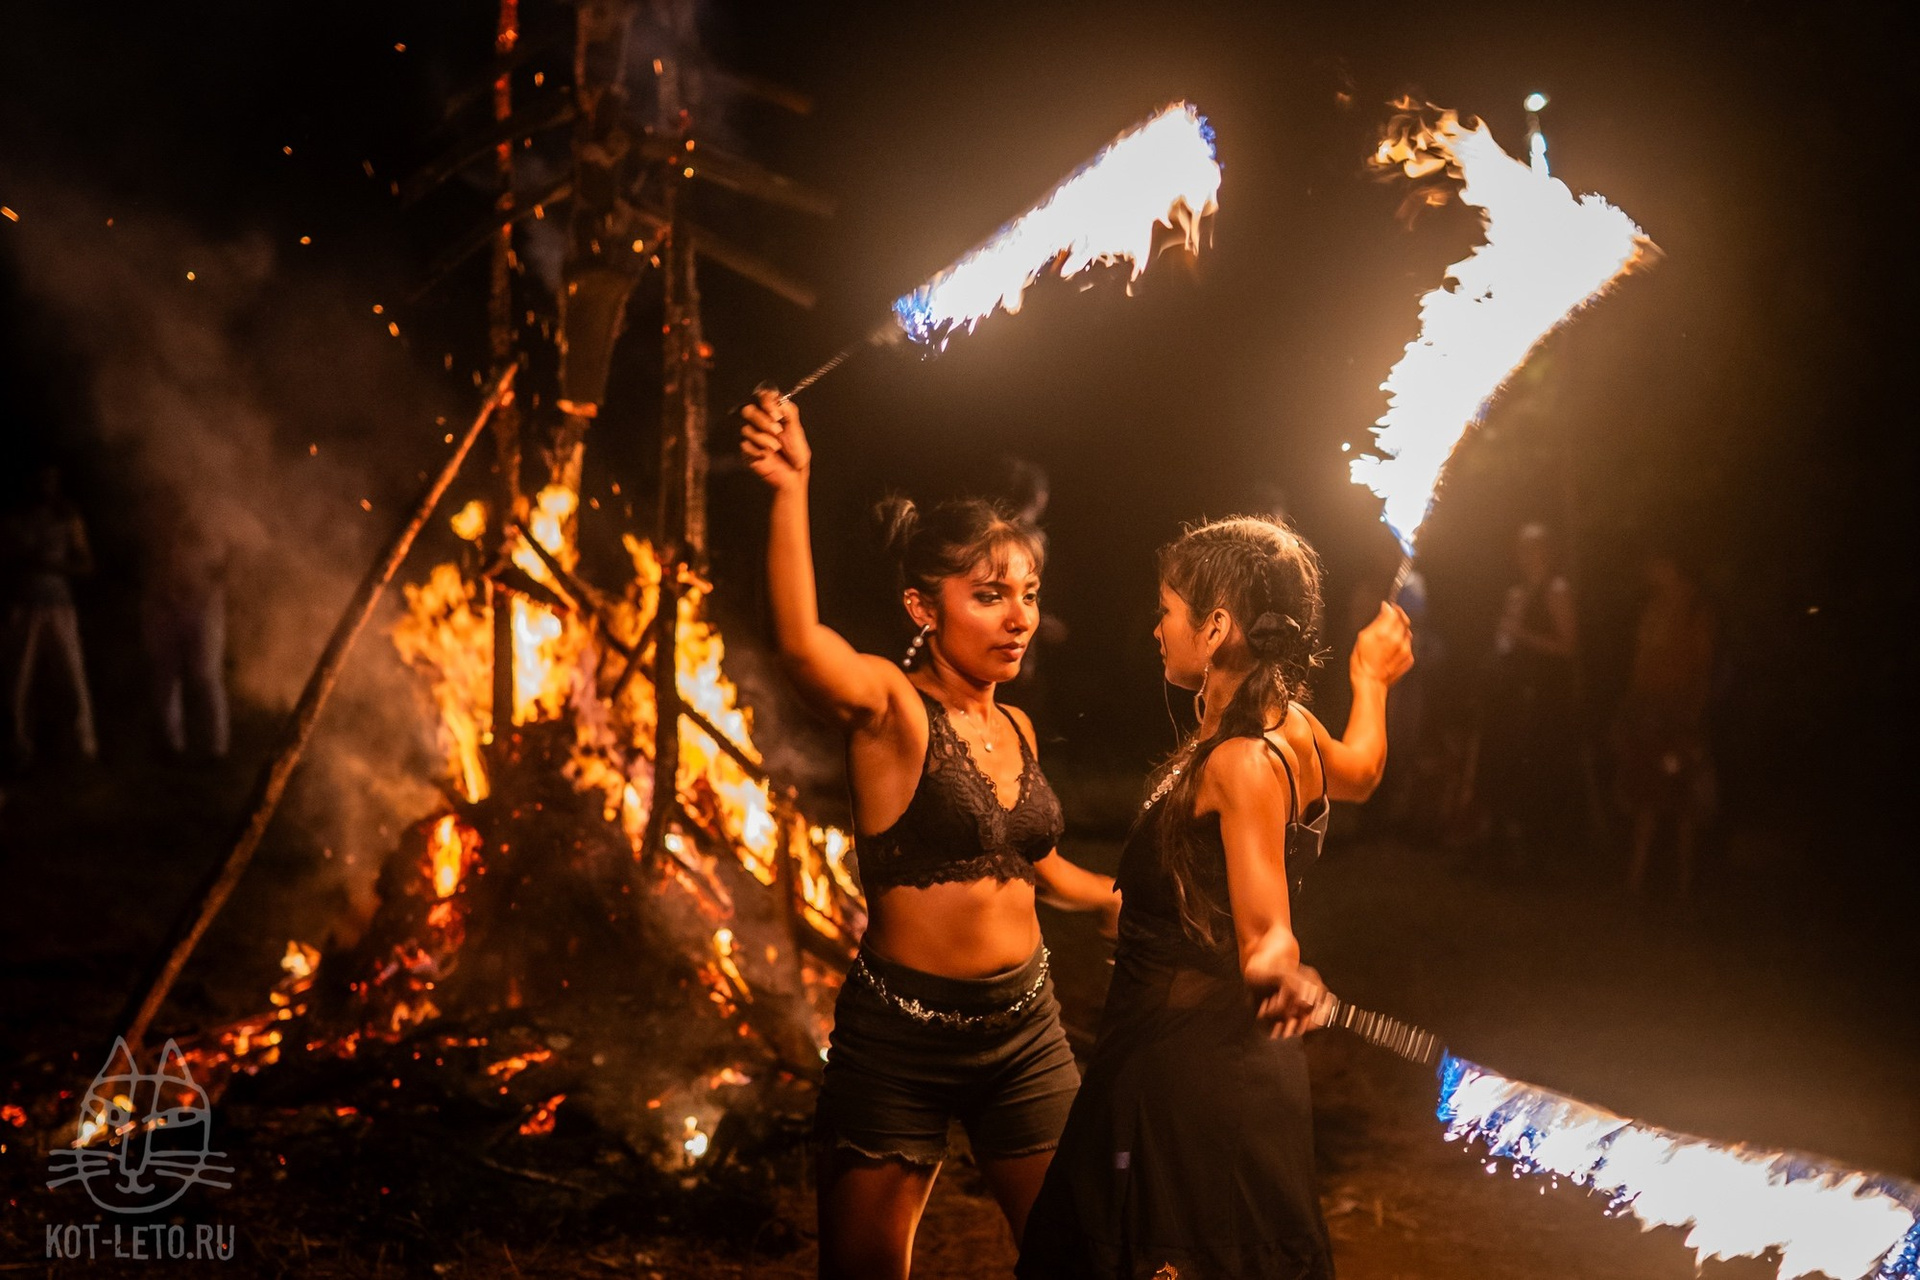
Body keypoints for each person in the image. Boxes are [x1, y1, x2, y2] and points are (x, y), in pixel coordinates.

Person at [739, 392, 1120, 1280]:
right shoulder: (891, 709)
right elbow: (801, 645)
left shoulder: (1018, 727)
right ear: (922, 606)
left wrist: (1122, 898)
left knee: (1085, 1258)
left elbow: (1036, 866)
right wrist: (791, 488)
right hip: (900, 1043)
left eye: (1027, 596)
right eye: (989, 597)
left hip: (1026, 1034)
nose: (1018, 618)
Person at [1019, 515, 1413, 1280]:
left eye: (1167, 611)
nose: (1157, 629)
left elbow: (1266, 931)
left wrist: (1278, 965)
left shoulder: (1241, 762)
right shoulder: (1293, 728)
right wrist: (1370, 681)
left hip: (1185, 1075)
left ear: (1217, 628)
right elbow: (1361, 772)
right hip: (1222, 1064)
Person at [1477, 522, 1581, 869]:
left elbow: (1567, 646)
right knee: (1506, 761)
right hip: (1513, 691)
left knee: (1536, 765)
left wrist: (1522, 635)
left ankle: (1538, 849)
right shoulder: (1519, 591)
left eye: (1531, 549)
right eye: (1521, 549)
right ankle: (1501, 842)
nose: (1524, 556)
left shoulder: (1556, 589)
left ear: (1545, 552)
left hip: (1544, 694)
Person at [1613, 550, 1716, 897]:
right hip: (1648, 709)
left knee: (1684, 797)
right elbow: (1641, 660)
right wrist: (1630, 706)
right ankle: (1635, 879)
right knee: (1646, 791)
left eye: (1654, 564)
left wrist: (1692, 716)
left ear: (1669, 566)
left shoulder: (1695, 609)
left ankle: (1685, 883)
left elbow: (1702, 667)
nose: (1648, 571)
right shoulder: (1653, 607)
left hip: (1679, 710)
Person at [7, 465, 99, 762]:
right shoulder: (14, 518)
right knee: (18, 679)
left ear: (56, 482)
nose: (44, 485)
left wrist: (51, 566)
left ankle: (84, 744)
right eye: (39, 479)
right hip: (23, 606)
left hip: (59, 605)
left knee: (72, 674)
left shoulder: (67, 517)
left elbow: (86, 565)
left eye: (49, 479)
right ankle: (17, 745)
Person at [142, 491, 231, 758]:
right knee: (166, 678)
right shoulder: (171, 534)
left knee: (206, 677)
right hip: (169, 610)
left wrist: (205, 586)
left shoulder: (214, 535)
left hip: (204, 613)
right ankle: (172, 745)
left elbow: (221, 572)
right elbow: (160, 570)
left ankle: (217, 747)